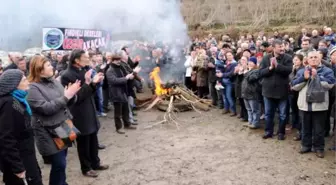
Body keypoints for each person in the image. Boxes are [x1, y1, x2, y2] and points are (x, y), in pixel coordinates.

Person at [27, 56, 81, 185]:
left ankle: (62, 182)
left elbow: (65, 101)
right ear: (39, 70)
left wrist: (71, 96)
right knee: (59, 163)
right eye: (48, 65)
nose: (52, 67)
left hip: (63, 126)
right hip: (47, 131)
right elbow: (46, 109)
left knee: (62, 162)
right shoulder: (32, 88)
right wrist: (66, 97)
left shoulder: (55, 82)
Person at [61, 49, 109, 178]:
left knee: (93, 138)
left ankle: (95, 162)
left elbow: (89, 93)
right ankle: (86, 168)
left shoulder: (83, 70)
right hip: (79, 112)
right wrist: (90, 83)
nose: (88, 59)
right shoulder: (67, 75)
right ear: (77, 60)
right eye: (86, 57)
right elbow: (75, 98)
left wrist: (95, 83)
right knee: (84, 142)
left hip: (89, 108)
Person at [0, 69, 43, 185]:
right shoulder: (9, 104)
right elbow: (6, 138)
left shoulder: (18, 100)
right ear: (14, 84)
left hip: (26, 154)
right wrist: (17, 167)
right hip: (19, 159)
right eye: (24, 80)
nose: (28, 81)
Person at [291, 51, 336, 158]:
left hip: (320, 106)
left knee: (319, 130)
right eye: (311, 57)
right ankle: (306, 146)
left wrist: (317, 77)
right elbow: (293, 86)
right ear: (307, 59)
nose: (314, 59)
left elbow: (330, 84)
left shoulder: (327, 70)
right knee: (305, 128)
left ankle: (319, 148)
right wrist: (304, 78)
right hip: (304, 105)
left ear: (320, 58)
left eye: (316, 57)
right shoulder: (302, 71)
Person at [259, 39, 293, 140]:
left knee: (282, 114)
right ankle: (268, 131)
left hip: (282, 92)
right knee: (269, 114)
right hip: (268, 91)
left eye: (283, 46)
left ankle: (281, 133)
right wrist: (269, 68)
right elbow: (260, 73)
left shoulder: (288, 58)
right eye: (280, 47)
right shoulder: (266, 58)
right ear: (274, 48)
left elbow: (288, 70)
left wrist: (277, 66)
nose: (282, 48)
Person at [106, 52, 137, 134]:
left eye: (119, 60)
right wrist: (126, 78)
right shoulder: (110, 70)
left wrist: (132, 75)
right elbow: (114, 81)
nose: (118, 62)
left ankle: (127, 124)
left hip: (123, 92)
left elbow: (127, 75)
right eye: (116, 60)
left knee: (125, 110)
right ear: (112, 61)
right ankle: (118, 127)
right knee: (118, 113)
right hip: (116, 93)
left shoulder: (121, 67)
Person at [242, 57, 261, 129]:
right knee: (249, 109)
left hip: (253, 94)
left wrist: (246, 72)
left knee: (254, 110)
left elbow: (251, 79)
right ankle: (250, 122)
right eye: (249, 62)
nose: (250, 63)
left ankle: (255, 123)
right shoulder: (248, 71)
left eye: (252, 62)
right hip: (246, 93)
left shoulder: (256, 71)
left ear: (255, 63)